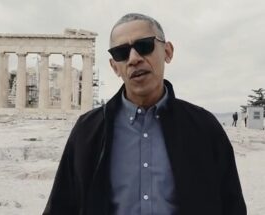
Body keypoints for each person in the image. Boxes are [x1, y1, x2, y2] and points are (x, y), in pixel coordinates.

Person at [43, 13, 246, 215]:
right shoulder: (87, 130)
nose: (134, 59)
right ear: (115, 67)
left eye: (144, 46)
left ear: (167, 51)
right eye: (121, 52)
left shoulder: (204, 127)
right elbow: (61, 205)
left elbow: (232, 205)